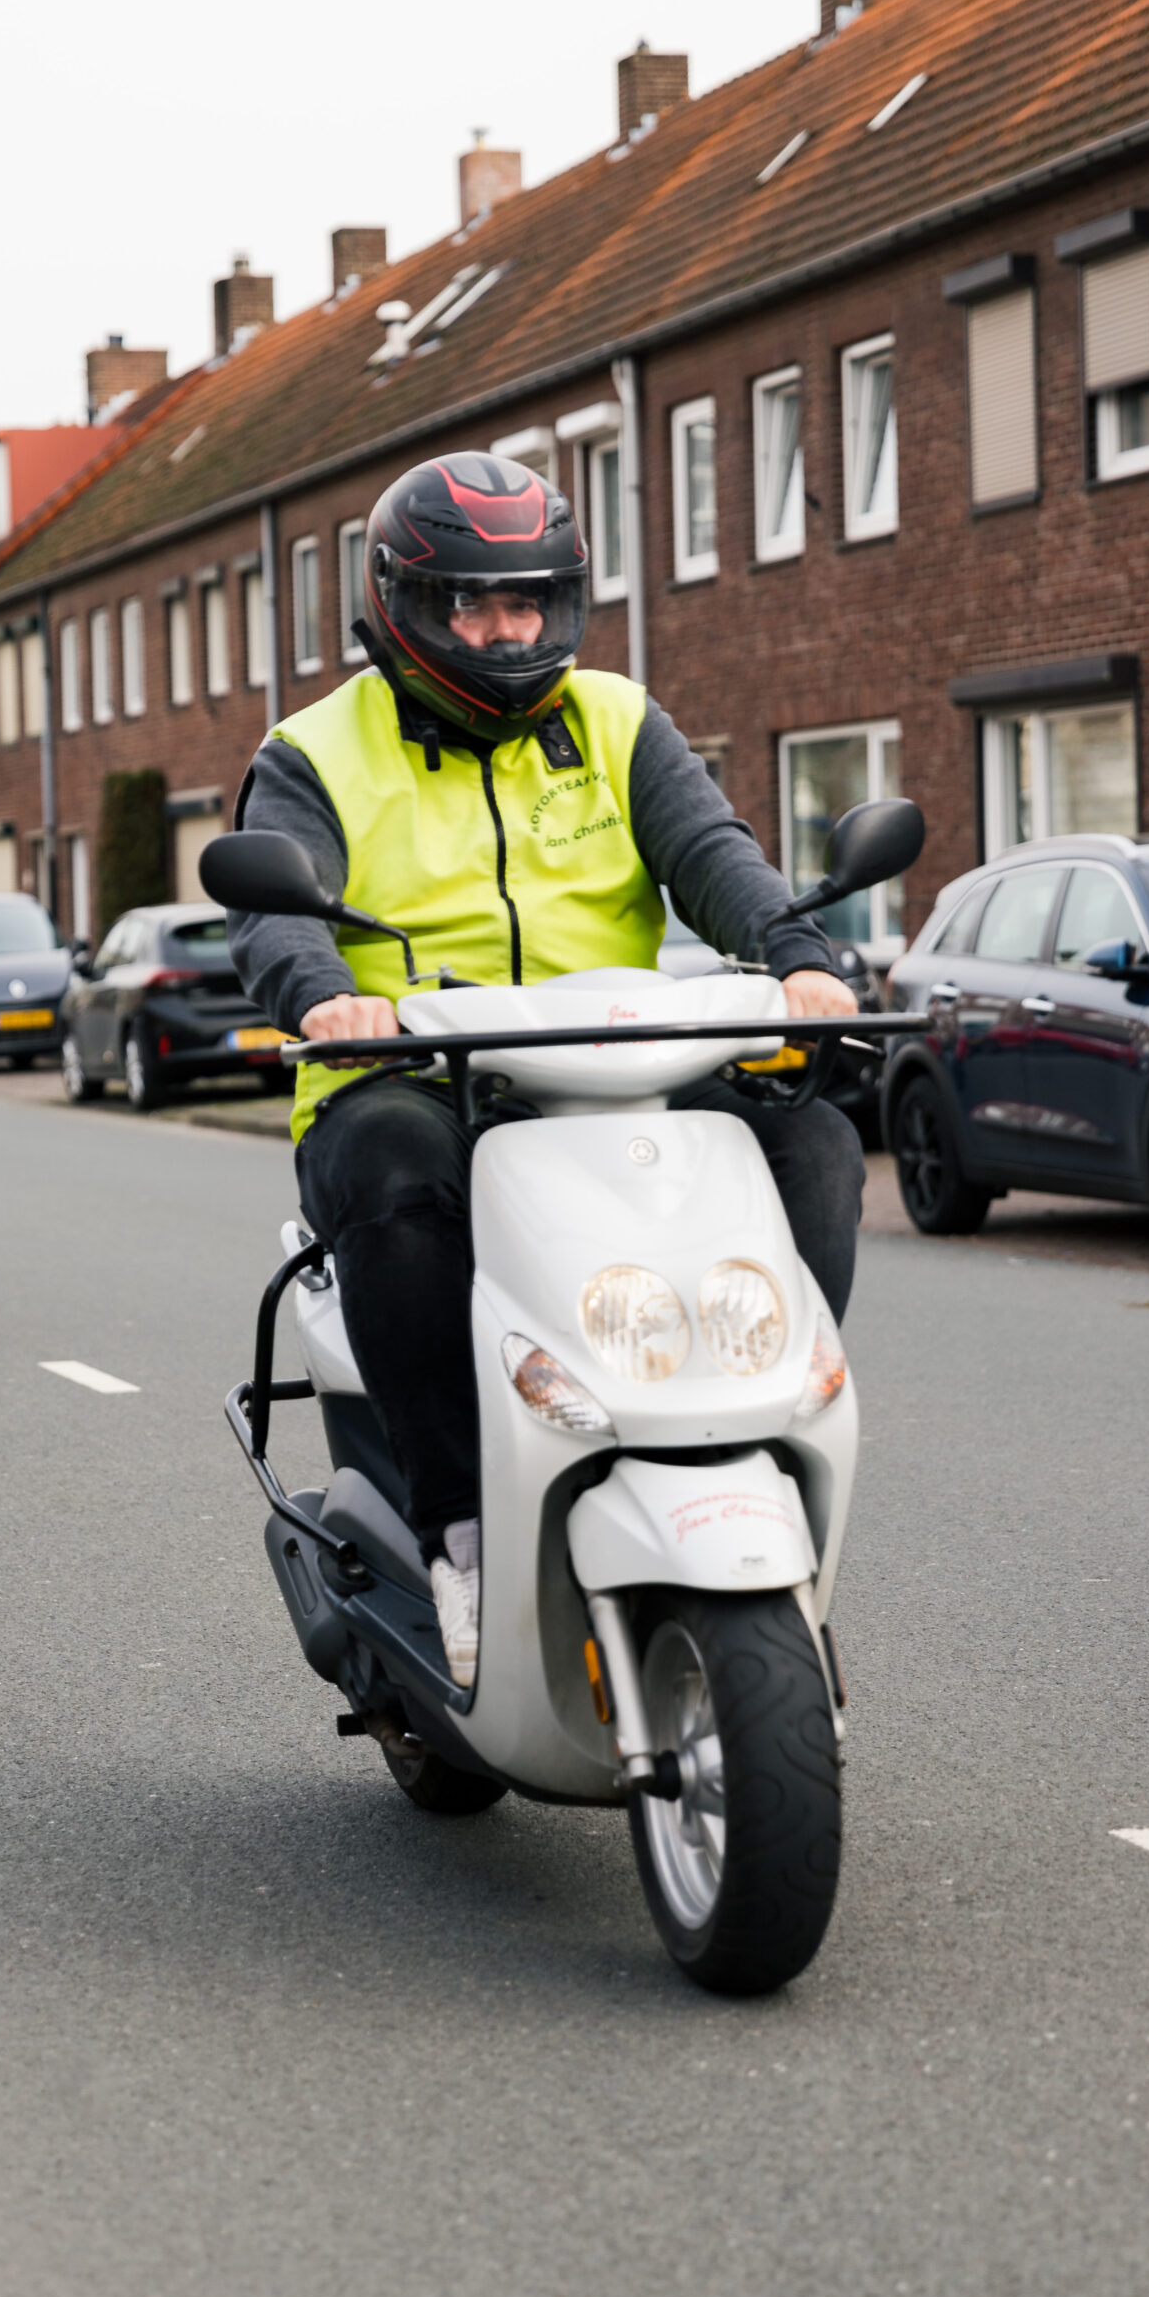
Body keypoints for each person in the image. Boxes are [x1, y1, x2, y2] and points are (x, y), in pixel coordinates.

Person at [226, 452, 863, 1687]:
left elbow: (712, 853)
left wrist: (795, 955)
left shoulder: (615, 718)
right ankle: (456, 1527)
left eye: (528, 600)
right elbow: (274, 912)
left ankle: (763, 1445)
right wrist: (326, 998)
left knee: (812, 1141)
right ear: (403, 608)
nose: (506, 630)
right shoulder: (312, 749)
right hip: (408, 1071)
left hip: (613, 1065)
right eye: (471, 603)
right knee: (394, 1168)